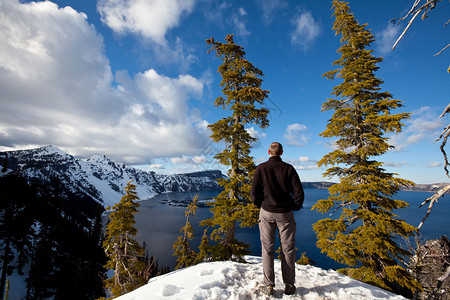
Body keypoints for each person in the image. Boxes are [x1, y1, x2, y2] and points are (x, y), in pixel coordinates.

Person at [251, 142, 304, 296]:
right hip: (285, 214)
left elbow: (254, 192)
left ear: (269, 152)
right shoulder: (289, 168)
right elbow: (298, 192)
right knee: (287, 249)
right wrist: (294, 206)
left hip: (266, 212)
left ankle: (268, 286)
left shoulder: (261, 168)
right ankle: (289, 285)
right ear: (281, 152)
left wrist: (260, 205)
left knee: (267, 249)